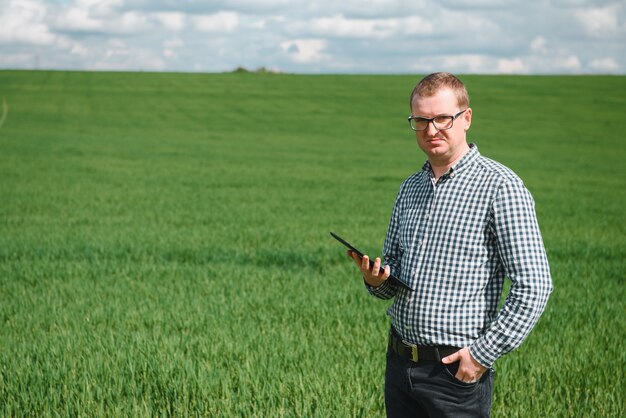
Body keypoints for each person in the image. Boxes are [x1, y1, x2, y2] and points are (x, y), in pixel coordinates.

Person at [348, 72, 553, 417]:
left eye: (442, 118)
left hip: (455, 372)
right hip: (400, 363)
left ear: (466, 118)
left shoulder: (500, 187)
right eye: (421, 120)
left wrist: (481, 355)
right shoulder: (410, 188)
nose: (431, 130)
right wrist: (376, 281)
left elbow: (535, 286)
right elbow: (396, 271)